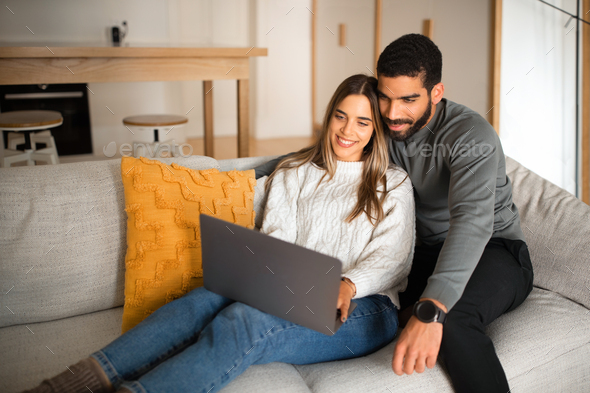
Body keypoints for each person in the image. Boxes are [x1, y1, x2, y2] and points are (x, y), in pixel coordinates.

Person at [25, 74, 415, 393]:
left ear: (376, 129)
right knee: (205, 299)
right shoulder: (294, 172)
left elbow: (392, 258)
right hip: (302, 289)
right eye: (341, 117)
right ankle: (63, 386)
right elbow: (279, 241)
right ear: (329, 117)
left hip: (367, 309)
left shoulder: (392, 183)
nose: (348, 130)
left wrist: (346, 284)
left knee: (243, 321)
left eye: (363, 122)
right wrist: (274, 275)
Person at [255, 34, 534, 393]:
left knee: (452, 320)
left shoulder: (470, 135)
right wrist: (234, 179)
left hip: (493, 249)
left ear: (436, 92)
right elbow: (321, 153)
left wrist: (431, 308)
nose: (392, 112)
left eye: (408, 99)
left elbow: (472, 222)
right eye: (384, 97)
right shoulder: (385, 127)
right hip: (421, 253)